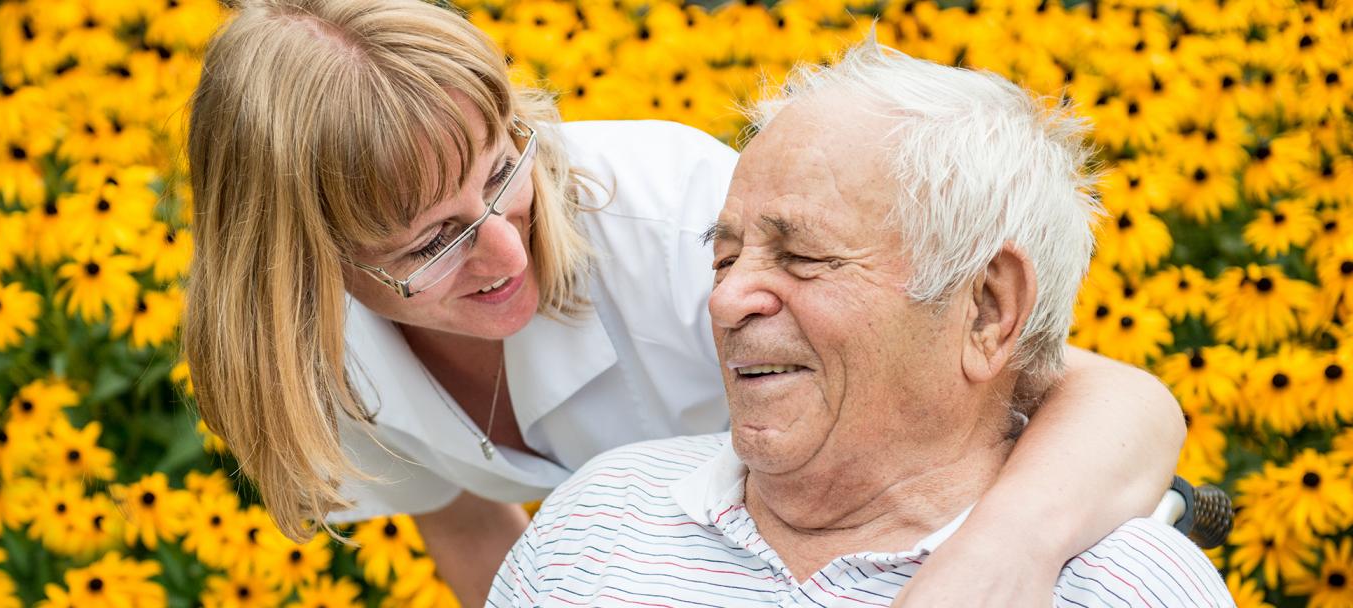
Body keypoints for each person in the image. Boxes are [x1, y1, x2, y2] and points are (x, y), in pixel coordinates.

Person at [181, 1, 1189, 604]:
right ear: (302, 269)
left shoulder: (676, 225)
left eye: (502, 173)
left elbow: (1084, 391)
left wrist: (994, 559)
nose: (503, 250)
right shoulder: (299, 366)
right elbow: (458, 513)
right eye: (430, 242)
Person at [488, 39, 1233, 607]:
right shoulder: (592, 523)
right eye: (724, 259)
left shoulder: (1125, 589)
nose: (724, 302)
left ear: (987, 309)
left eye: (803, 255)